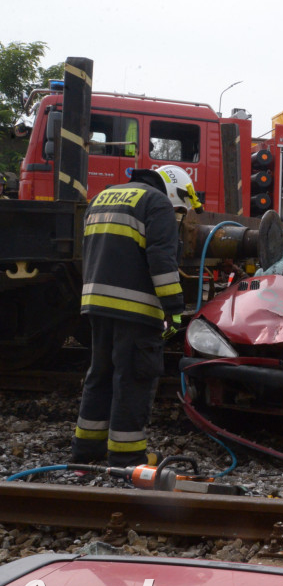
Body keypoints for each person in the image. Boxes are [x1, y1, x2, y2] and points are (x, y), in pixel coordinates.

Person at [72, 166, 194, 467]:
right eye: (179, 209)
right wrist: (175, 310)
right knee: (134, 377)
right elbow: (161, 260)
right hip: (136, 308)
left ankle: (87, 452)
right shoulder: (157, 203)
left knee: (100, 374)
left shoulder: (103, 196)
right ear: (172, 191)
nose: (176, 215)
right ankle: (127, 457)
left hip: (96, 303)